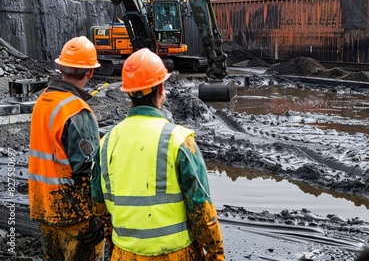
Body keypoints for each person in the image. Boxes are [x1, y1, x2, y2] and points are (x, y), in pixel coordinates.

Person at [91, 48, 225, 260]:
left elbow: (99, 205)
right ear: (161, 88)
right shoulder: (179, 141)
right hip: (174, 255)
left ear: (128, 93)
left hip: (125, 255)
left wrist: (113, 242)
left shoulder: (106, 143)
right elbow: (201, 210)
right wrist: (215, 256)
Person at [28, 36, 105, 260]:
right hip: (75, 214)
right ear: (90, 72)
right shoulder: (77, 110)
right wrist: (97, 217)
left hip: (45, 205)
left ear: (61, 67)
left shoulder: (43, 101)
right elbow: (88, 170)